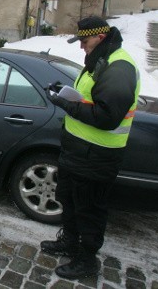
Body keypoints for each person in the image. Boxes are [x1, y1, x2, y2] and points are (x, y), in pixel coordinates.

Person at [42, 16, 140, 279]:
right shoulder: (99, 61)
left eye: (84, 41)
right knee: (70, 202)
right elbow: (88, 98)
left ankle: (87, 261)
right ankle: (70, 242)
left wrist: (66, 105)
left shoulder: (119, 67)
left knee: (90, 210)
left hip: (97, 156)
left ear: (99, 37)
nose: (81, 46)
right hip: (77, 152)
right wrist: (64, 92)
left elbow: (107, 117)